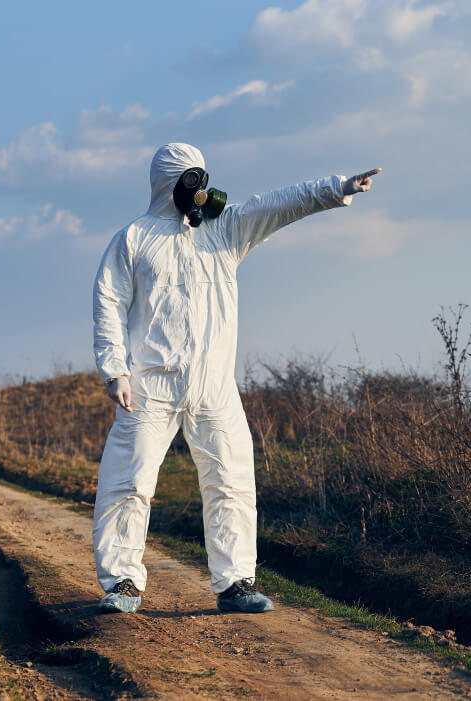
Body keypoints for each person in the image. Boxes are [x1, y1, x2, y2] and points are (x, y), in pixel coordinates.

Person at [92, 142, 380, 614]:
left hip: (214, 386)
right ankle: (122, 582)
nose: (199, 188)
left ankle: (235, 584)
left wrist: (337, 189)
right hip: (149, 388)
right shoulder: (133, 240)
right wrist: (115, 370)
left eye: (202, 177)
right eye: (189, 179)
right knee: (128, 482)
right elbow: (108, 303)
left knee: (231, 480)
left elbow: (278, 204)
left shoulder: (225, 229)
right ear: (168, 183)